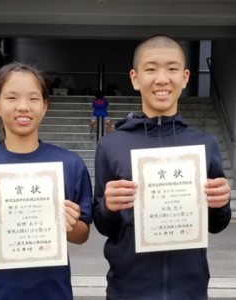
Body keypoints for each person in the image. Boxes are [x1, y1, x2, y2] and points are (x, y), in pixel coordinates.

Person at [92, 35, 231, 299]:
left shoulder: (204, 144)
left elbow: (216, 224)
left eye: (172, 68)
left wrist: (221, 203)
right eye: (151, 69)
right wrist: (108, 208)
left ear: (186, 76)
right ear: (135, 78)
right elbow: (103, 225)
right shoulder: (111, 146)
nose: (162, 79)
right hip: (128, 289)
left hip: (190, 289)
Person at [0, 62, 92, 300]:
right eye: (11, 98)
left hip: (53, 293)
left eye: (34, 99)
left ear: (45, 106)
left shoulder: (69, 164)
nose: (23, 107)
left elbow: (82, 235)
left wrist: (70, 223)